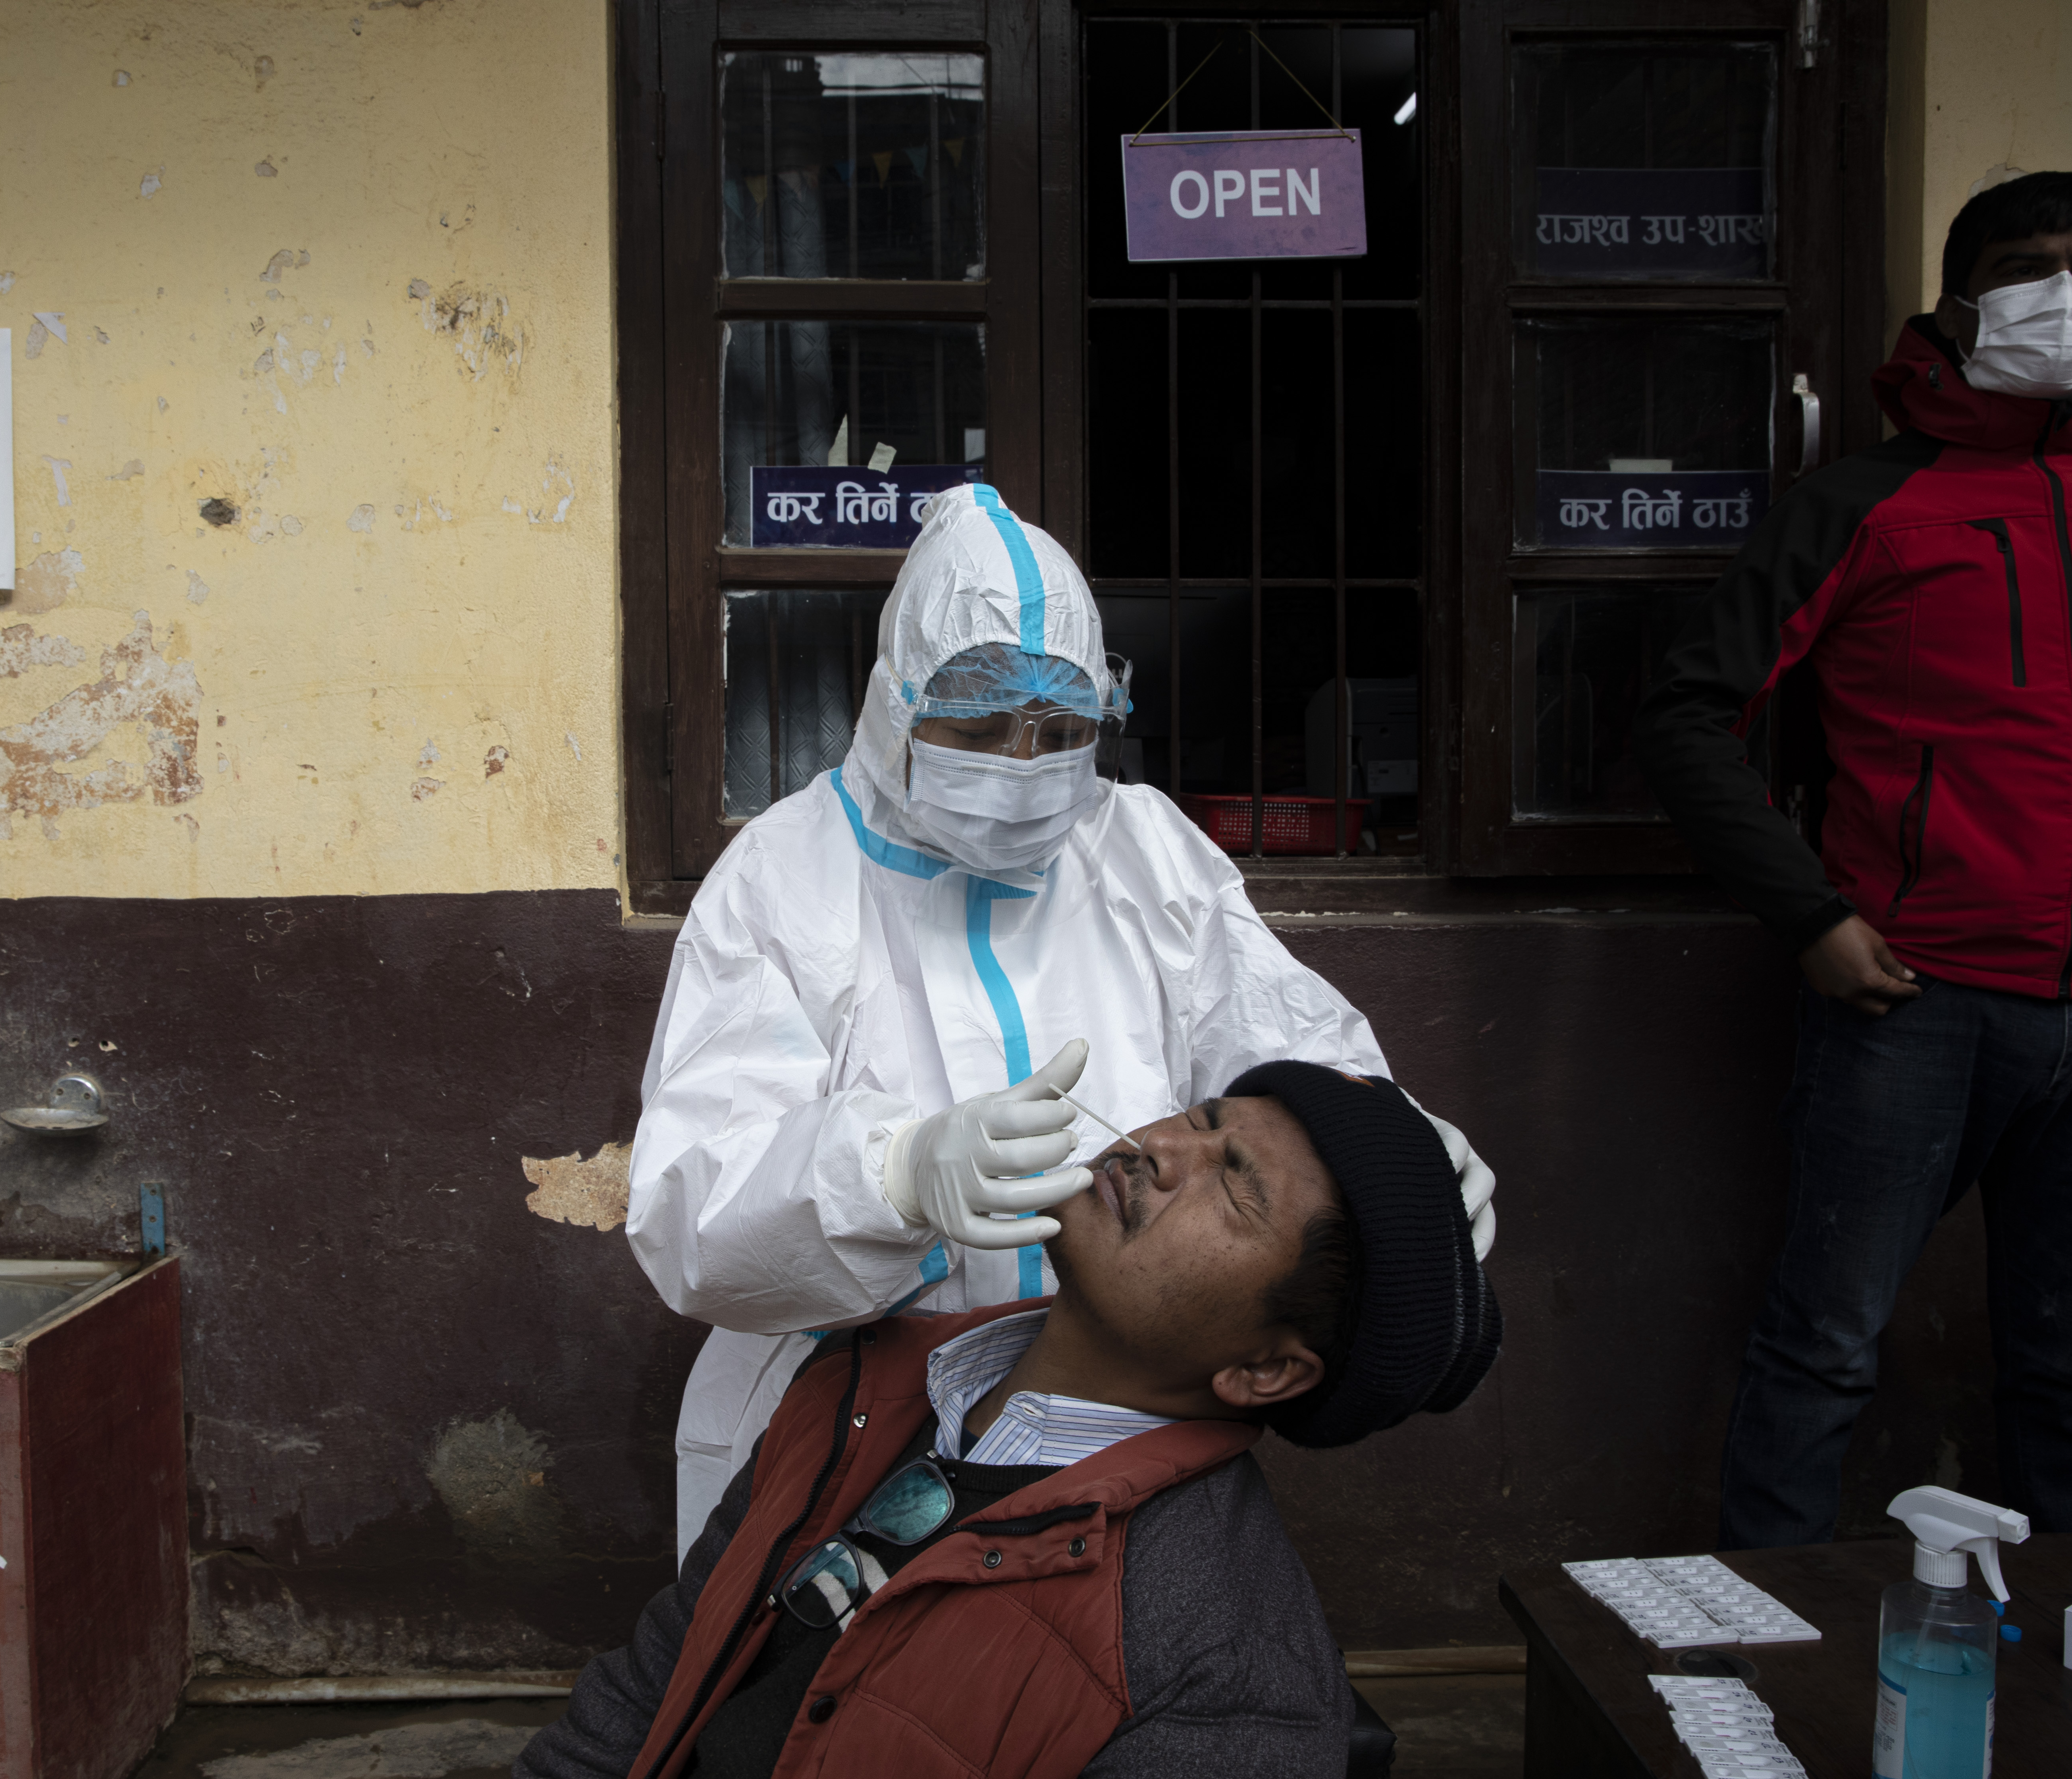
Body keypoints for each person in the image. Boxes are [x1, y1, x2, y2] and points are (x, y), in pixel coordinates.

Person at [631, 485, 1498, 1553]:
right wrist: (889, 1176)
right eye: (980, 726)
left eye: (1060, 730)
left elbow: (1283, 1050)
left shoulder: (1141, 851)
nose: (1021, 765)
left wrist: (1389, 1139)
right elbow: (694, 1218)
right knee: (817, 1689)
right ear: (897, 703)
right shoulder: (785, 877)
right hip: (835, 1421)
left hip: (1112, 1416)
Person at [1634, 171, 2072, 1550]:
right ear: (1960, 300)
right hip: (1916, 1002)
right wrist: (1812, 918)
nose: (2066, 295)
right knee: (1825, 1348)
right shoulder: (1863, 505)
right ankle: (1760, 1664)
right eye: (2028, 267)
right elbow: (1687, 716)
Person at [520, 1062, 1503, 1779]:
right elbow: (657, 1684)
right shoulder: (861, 1387)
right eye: (1200, 1116)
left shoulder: (1224, 1672)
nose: (1162, 1148)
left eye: (1234, 1185)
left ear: (1267, 1367)